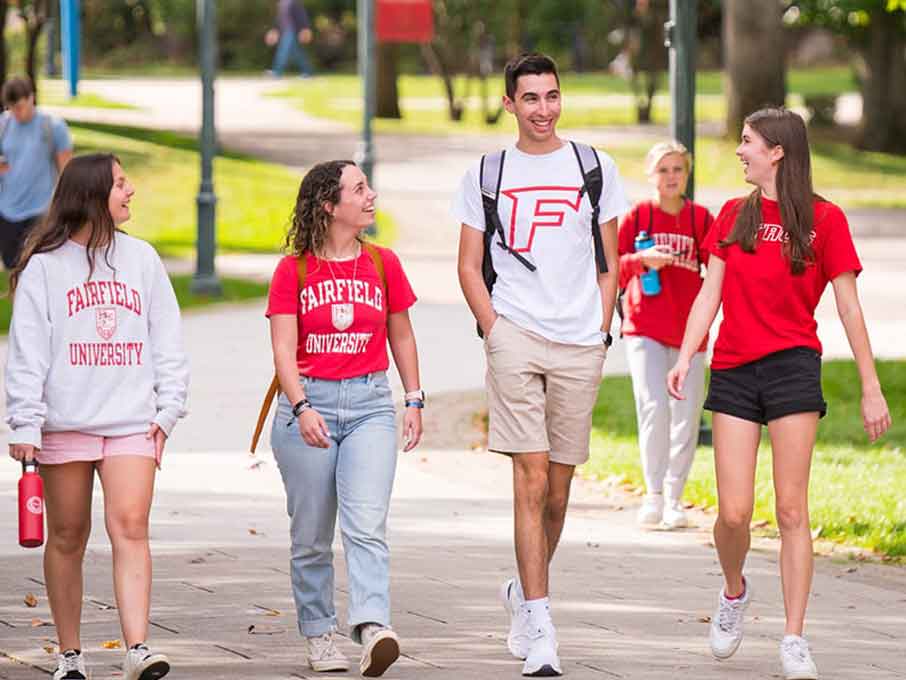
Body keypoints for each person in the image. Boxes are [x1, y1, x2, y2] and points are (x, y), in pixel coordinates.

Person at [666, 108, 891, 680]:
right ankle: (735, 591)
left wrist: (871, 387)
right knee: (734, 512)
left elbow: (848, 307)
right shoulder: (731, 215)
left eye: (747, 142)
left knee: (792, 508)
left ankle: (794, 636)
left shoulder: (826, 220)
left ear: (778, 152)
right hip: (736, 369)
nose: (739, 150)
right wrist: (687, 353)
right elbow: (708, 295)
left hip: (793, 366)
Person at [454, 53, 628, 677]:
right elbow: (469, 265)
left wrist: (600, 328)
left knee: (559, 489)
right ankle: (542, 623)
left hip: (580, 341)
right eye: (530, 98)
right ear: (509, 104)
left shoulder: (594, 167)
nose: (544, 110)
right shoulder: (486, 171)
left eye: (552, 96)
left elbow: (611, 264)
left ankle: (522, 597)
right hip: (516, 337)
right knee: (528, 479)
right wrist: (496, 332)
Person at [5, 153, 189, 680]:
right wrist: (25, 422)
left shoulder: (143, 260)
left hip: (132, 420)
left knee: (131, 526)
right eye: (121, 184)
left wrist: (168, 408)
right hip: (65, 423)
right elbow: (28, 352)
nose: (131, 191)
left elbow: (168, 342)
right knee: (67, 535)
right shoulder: (45, 267)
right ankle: (69, 655)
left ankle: (137, 648)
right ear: (91, 197)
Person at [267, 160, 423, 677]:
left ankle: (373, 625)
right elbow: (284, 353)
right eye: (359, 189)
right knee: (312, 534)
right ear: (330, 205)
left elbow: (400, 334)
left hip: (370, 405)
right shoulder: (294, 271)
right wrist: (302, 406)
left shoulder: (383, 263)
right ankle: (319, 635)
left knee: (366, 523)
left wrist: (414, 398)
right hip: (307, 406)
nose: (372, 195)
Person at [618, 141, 714, 529]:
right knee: (653, 406)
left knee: (686, 413)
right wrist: (642, 260)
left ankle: (675, 496)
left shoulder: (701, 219)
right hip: (644, 327)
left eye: (678, 169)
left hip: (689, 333)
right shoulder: (638, 217)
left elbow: (718, 273)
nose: (671, 177)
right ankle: (653, 493)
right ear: (650, 175)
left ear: (687, 174)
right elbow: (610, 270)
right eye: (663, 170)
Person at [0, 76, 73, 269]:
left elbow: (67, 172)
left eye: (20, 107)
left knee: (39, 268)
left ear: (31, 98)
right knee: (14, 269)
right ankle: (18, 300)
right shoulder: (3, 125)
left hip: (41, 211)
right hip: (8, 210)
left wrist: (63, 208)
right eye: (12, 108)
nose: (17, 113)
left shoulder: (53, 127)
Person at [265, 0, 314, 78]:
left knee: (283, 50)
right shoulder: (281, 3)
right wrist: (274, 30)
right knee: (297, 53)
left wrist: (305, 29)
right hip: (284, 31)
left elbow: (302, 16)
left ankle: (277, 72)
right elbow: (279, 19)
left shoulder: (294, 2)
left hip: (292, 30)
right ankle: (308, 71)